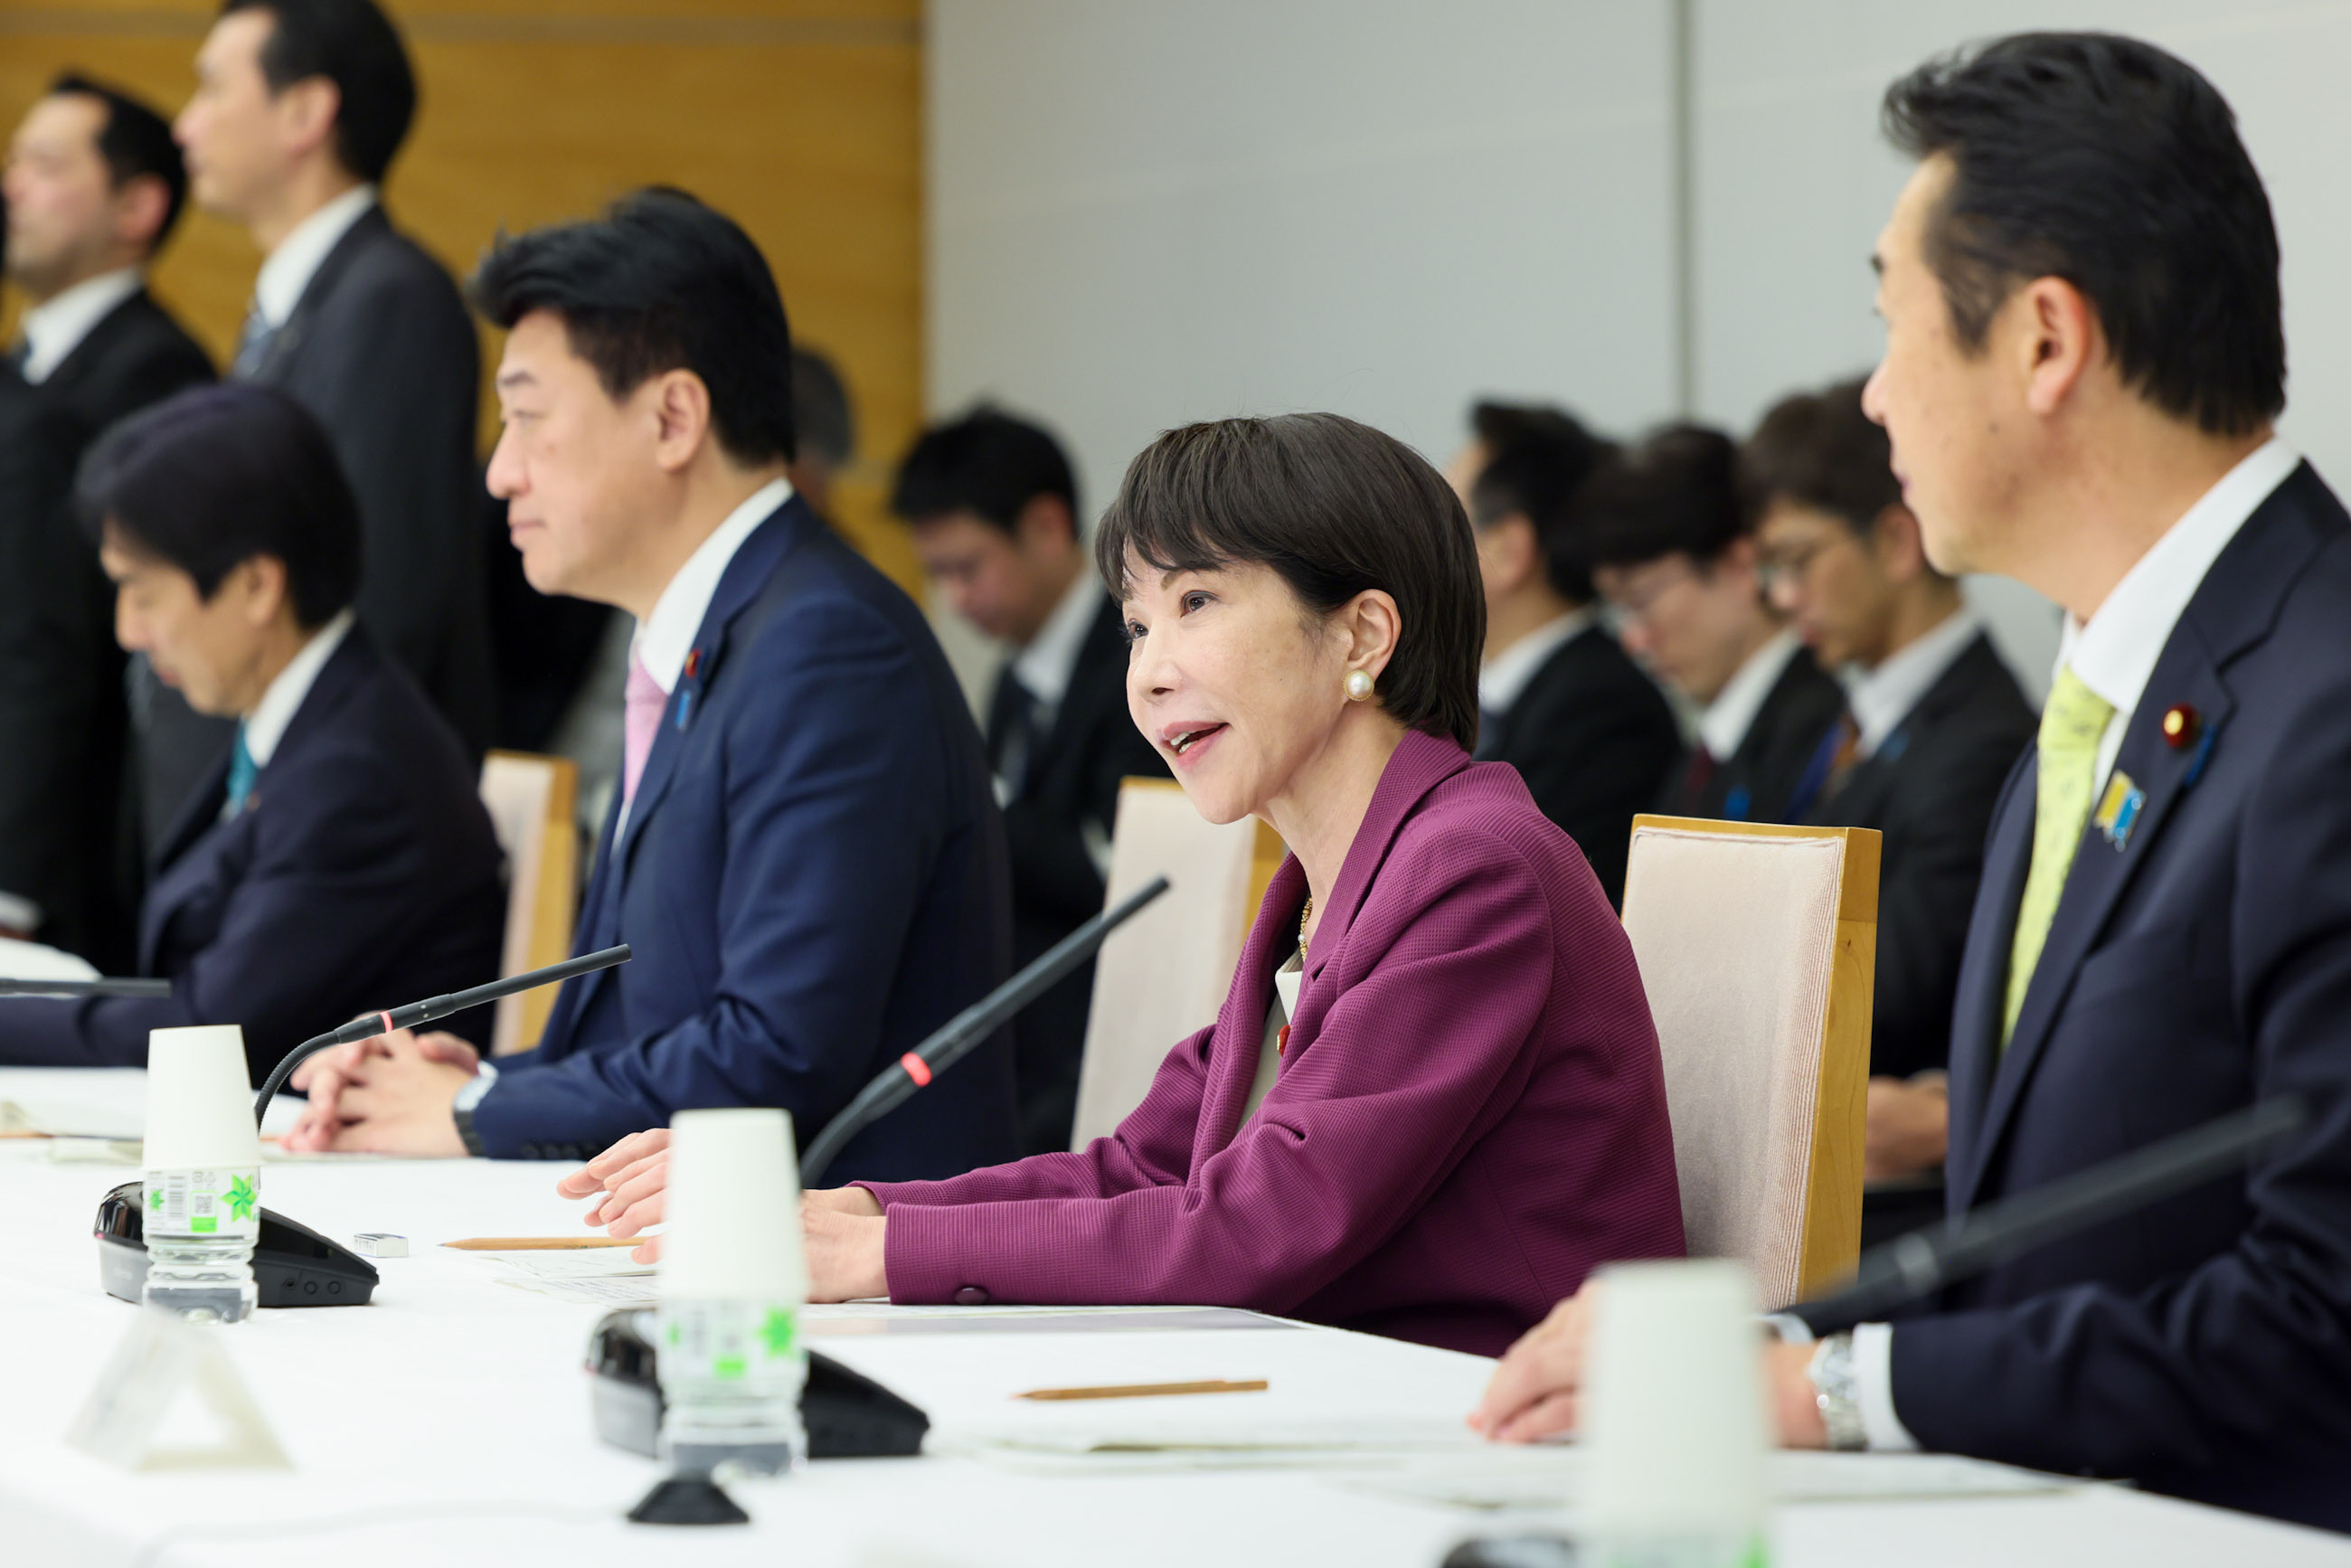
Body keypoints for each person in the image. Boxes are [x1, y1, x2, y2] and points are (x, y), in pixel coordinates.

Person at [1472, 32, 2351, 1532]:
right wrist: (1757, 1347)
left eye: (1895, 327)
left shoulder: (2321, 698)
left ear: (2045, 340)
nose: (1876, 399)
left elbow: (2320, 1310)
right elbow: (2032, 1251)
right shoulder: (2097, 708)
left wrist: (1831, 1393)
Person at [563, 411, 1686, 1355]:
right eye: (1137, 623)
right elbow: (1141, 1165)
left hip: (1488, 1438)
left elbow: (1258, 1225)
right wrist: (855, 1210)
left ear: (1362, 633)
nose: (1148, 674)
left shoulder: (1475, 868)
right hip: (1336, 1395)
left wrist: (883, 1253)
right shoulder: (1331, 877)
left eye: (1196, 604)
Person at [284, 190, 1018, 1181]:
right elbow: (662, 1021)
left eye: (529, 420)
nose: (500, 473)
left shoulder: (828, 651)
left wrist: (479, 1107)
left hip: (829, 1279)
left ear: (674, 417)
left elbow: (776, 1054)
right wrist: (484, 1084)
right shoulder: (719, 632)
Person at [0, 384, 503, 1078]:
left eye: (144, 593)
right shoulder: (312, 714)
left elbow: (207, 1028)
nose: (128, 630)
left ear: (258, 585)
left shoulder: (359, 771)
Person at [151, 0, 490, 853]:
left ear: (305, 112)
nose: (185, 125)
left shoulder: (392, 301)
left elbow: (382, 592)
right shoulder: (303, 299)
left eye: (212, 90)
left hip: (313, 842)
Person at [1745, 378, 2034, 1182]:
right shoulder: (1816, 717)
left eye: (1799, 560)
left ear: (1899, 542)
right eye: (1770, 569)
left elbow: (1882, 992)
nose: (1782, 597)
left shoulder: (1986, 739)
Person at [892, 407, 1168, 1155]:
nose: (953, 599)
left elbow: (1129, 867)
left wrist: (970, 806)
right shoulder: (1014, 681)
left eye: (967, 567)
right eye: (937, 574)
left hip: (1114, 1044)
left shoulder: (1140, 665)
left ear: (1047, 526)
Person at [0, 73, 214, 968]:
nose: (11, 184)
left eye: (46, 164)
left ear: (137, 205)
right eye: (14, 159)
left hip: (64, 871)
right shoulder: (34, 361)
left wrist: (13, 885)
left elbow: (49, 648)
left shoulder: (152, 378)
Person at [1453, 401, 1678, 906]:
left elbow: (1503, 900)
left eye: (1445, 521)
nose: (1420, 550)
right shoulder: (1493, 700)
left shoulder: (1600, 709)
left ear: (1509, 550)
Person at [1582, 425, 1846, 825]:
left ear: (1739, 566)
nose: (1634, 640)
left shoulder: (1822, 734)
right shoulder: (1706, 753)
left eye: (1641, 602)